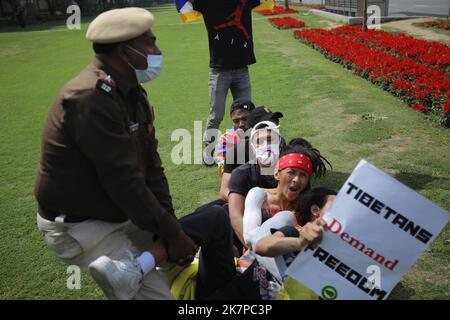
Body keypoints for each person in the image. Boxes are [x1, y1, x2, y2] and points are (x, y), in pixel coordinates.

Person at [35, 8, 197, 300]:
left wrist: (170, 228)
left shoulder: (131, 91)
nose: (157, 51)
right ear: (126, 53)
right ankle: (132, 271)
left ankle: (144, 262)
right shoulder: (89, 98)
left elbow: (151, 168)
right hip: (80, 223)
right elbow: (124, 182)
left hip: (117, 208)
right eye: (151, 43)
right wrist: (172, 235)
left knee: (189, 239)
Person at [187, 0, 267, 164]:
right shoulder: (208, 3)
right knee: (216, 115)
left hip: (242, 69)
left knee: (247, 115)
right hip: (219, 71)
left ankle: (248, 152)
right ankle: (209, 152)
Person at [219, 105, 283, 201]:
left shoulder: (282, 145)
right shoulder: (235, 152)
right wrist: (245, 201)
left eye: (275, 121)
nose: (275, 124)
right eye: (268, 122)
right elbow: (224, 191)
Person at [215, 99, 255, 171]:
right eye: (236, 121)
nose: (241, 124)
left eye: (245, 119)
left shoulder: (264, 134)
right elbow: (224, 169)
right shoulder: (225, 139)